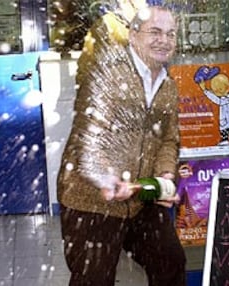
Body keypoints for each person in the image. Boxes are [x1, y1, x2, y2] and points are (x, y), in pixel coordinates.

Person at [57, 4, 186, 286]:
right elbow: (88, 136)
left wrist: (165, 175)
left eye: (170, 34)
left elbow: (168, 139)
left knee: (170, 262)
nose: (163, 40)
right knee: (94, 278)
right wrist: (107, 177)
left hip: (139, 197)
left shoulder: (168, 86)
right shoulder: (107, 75)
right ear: (133, 35)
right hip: (90, 200)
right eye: (155, 32)